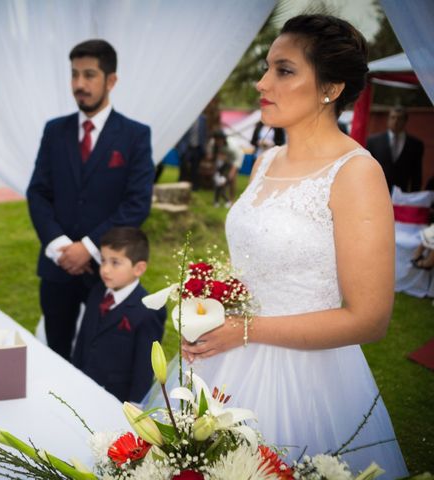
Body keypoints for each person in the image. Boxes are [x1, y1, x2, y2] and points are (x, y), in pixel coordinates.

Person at [178, 15, 408, 476]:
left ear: (331, 88)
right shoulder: (265, 160)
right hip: (223, 362)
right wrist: (213, 304)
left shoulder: (356, 173)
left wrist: (245, 329)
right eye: (268, 67)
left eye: (284, 70)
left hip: (307, 379)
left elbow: (369, 318)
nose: (263, 82)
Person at [26, 40, 155, 360]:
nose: (79, 85)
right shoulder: (54, 130)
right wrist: (58, 247)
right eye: (74, 75)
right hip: (57, 270)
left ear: (111, 80)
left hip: (107, 269)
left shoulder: (135, 135)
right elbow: (37, 192)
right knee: (55, 353)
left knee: (102, 357)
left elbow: (136, 203)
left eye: (89, 75)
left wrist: (88, 247)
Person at [72, 227, 165, 402]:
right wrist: (75, 372)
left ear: (139, 268)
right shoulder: (98, 291)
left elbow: (144, 367)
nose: (105, 270)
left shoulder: (148, 311)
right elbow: (84, 337)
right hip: (84, 383)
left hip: (116, 396)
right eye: (103, 260)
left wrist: (135, 404)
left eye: (115, 262)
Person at [367, 106, 424, 193]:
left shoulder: (416, 145)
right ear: (388, 119)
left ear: (405, 121)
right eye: (393, 118)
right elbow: (368, 169)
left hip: (401, 195)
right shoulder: (373, 141)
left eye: (399, 119)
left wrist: (413, 197)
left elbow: (416, 175)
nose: (396, 122)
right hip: (377, 192)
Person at [208, 129, 240, 208]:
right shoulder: (213, 144)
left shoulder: (232, 147)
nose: (217, 142)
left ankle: (232, 200)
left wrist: (232, 171)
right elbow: (212, 155)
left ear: (223, 139)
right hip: (222, 161)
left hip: (234, 160)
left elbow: (237, 159)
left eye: (219, 140)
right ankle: (216, 200)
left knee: (232, 179)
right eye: (216, 140)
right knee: (218, 182)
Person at [177, 114, 207, 190]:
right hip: (187, 148)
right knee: (183, 167)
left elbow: (204, 133)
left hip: (197, 148)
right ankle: (181, 184)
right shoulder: (186, 117)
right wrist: (181, 148)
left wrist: (204, 147)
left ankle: (194, 187)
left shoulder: (203, 118)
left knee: (195, 168)